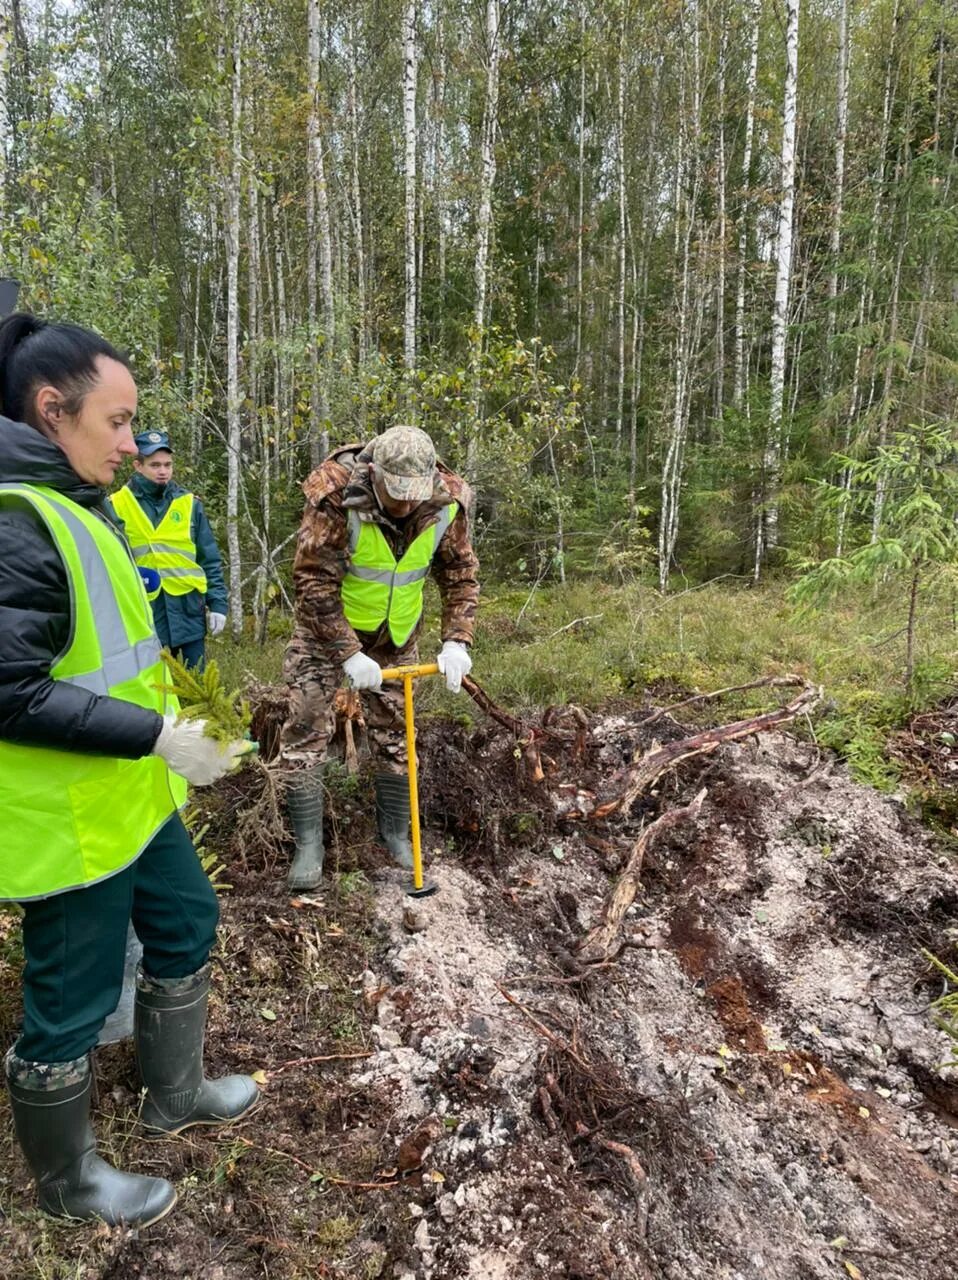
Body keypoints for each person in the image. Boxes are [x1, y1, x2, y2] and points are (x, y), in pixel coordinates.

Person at [0, 313, 258, 1227]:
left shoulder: (78, 503)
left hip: (132, 799)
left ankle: (174, 1095)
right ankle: (68, 1184)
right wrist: (155, 734)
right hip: (70, 820)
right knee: (70, 1002)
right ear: (51, 409)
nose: (130, 441)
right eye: (116, 421)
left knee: (187, 921)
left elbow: (112, 655)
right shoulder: (18, 521)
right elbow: (10, 691)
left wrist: (181, 728)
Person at [281, 425, 479, 891]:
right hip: (326, 631)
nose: (405, 505)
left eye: (414, 494)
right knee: (306, 727)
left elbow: (460, 574)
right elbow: (312, 581)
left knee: (397, 734)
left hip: (396, 636)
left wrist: (457, 640)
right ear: (374, 473)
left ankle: (394, 835)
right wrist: (348, 653)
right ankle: (308, 845)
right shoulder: (335, 496)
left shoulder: (446, 502)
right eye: (396, 494)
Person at [110, 429, 228, 669]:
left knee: (196, 683)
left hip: (188, 611)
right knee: (152, 684)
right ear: (137, 465)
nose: (163, 471)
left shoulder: (189, 504)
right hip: (144, 613)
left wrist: (218, 604)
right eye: (155, 465)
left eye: (167, 465)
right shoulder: (116, 505)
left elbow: (209, 559)